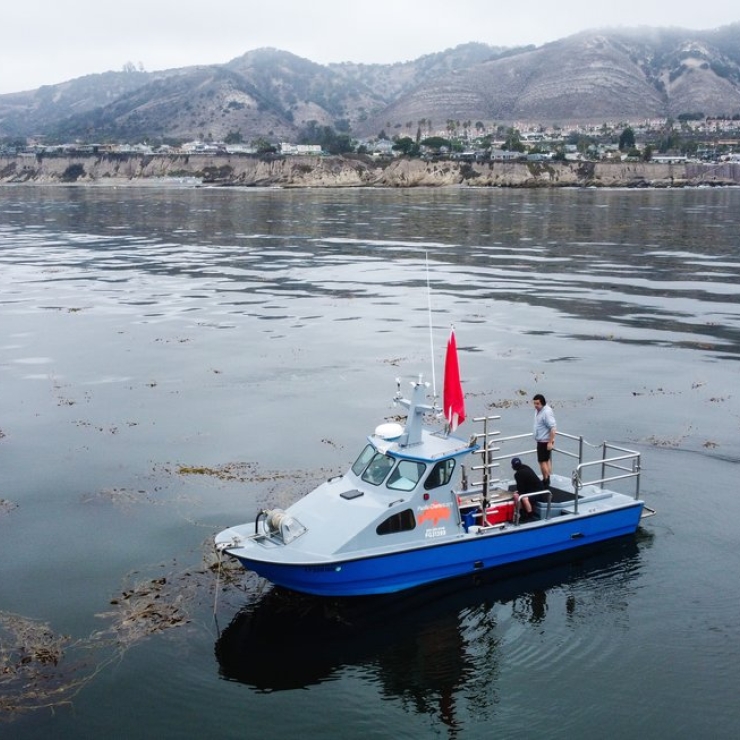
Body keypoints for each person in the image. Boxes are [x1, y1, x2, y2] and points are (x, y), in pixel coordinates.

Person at [532, 393, 557, 487]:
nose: (535, 406)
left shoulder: (546, 412)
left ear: (542, 403)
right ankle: (548, 477)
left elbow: (553, 428)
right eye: (534, 403)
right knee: (546, 460)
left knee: (542, 461)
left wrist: (550, 442)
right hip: (541, 440)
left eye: (537, 404)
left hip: (544, 441)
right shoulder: (538, 410)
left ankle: (546, 479)